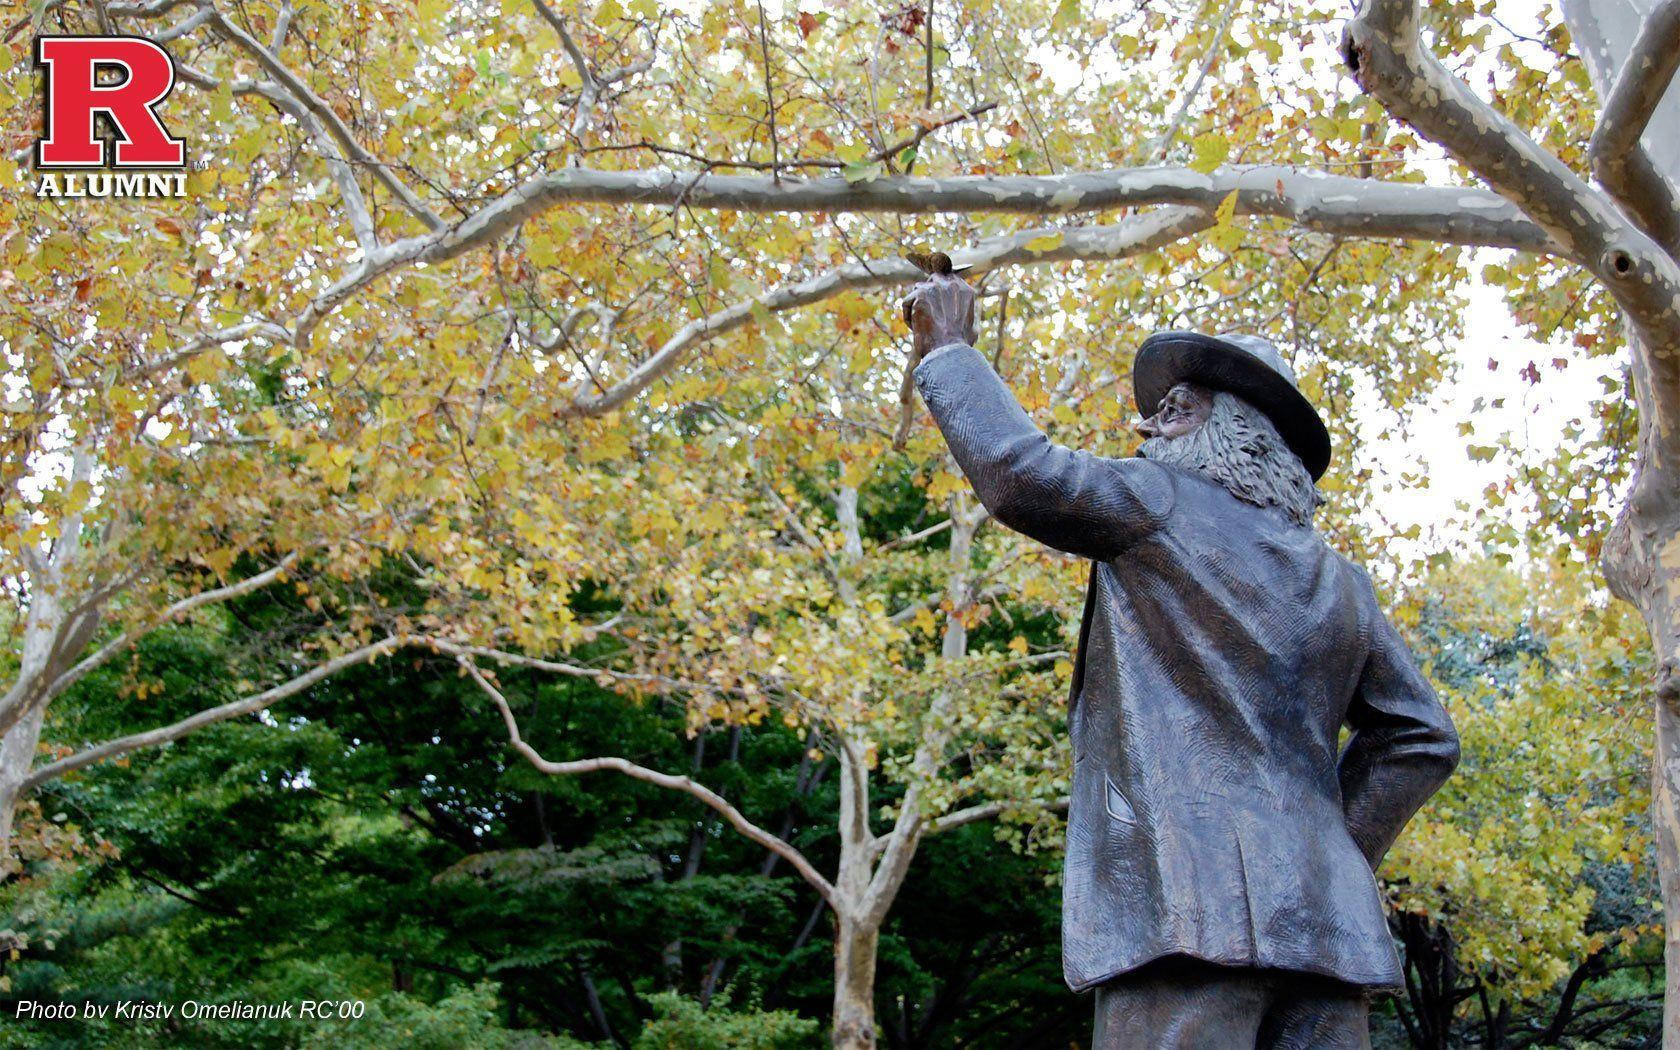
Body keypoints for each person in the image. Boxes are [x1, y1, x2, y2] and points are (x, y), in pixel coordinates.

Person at [902, 269, 1459, 1050]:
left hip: (1187, 914)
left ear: (1237, 431)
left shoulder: (1158, 503)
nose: (1147, 431)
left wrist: (950, 351)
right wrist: (1327, 857)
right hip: (1327, 933)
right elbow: (1423, 736)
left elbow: (1022, 475)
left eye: (1174, 412)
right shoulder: (1346, 584)